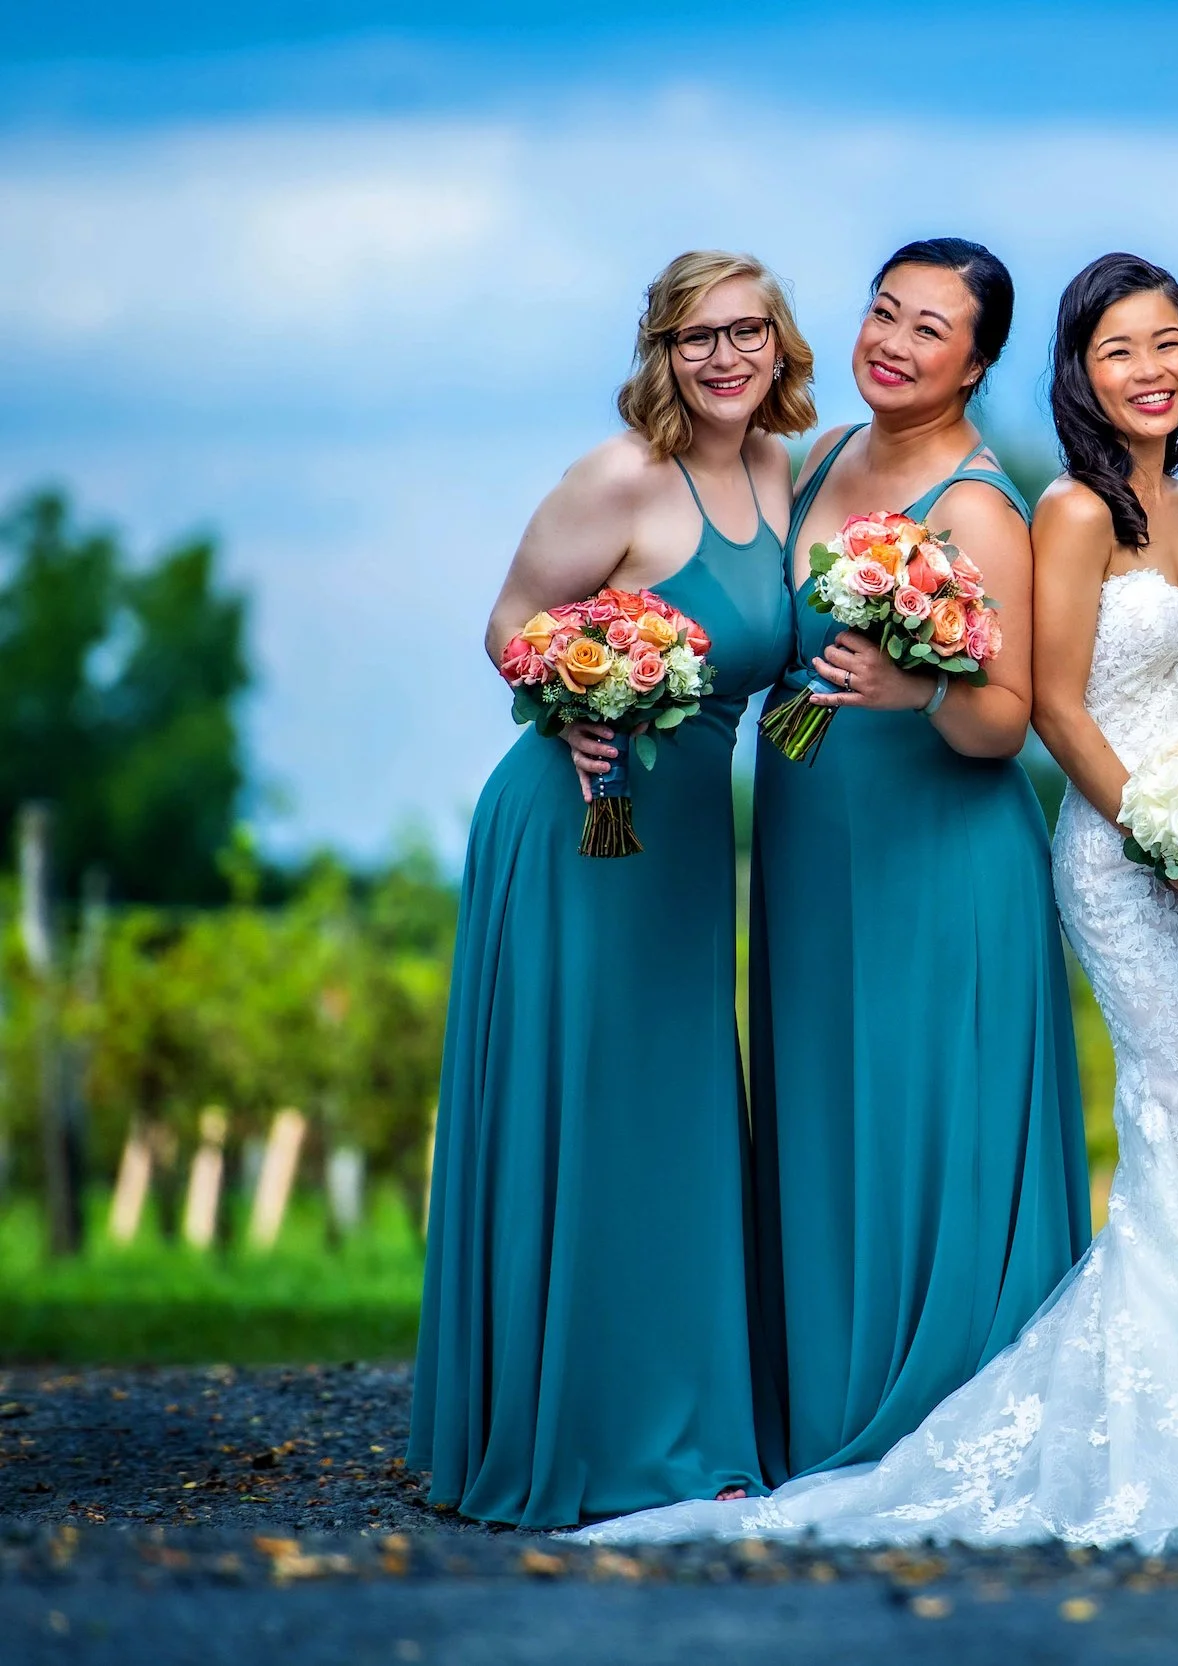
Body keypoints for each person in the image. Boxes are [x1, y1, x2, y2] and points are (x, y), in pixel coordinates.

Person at [570, 254, 1178, 1564]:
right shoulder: (1067, 514)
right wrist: (1169, 842)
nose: (1148, 370)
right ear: (1074, 373)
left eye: (1169, 344)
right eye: (1117, 351)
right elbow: (1049, 704)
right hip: (1123, 852)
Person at [410, 251, 805, 1526]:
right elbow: (512, 623)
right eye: (699, 338)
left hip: (688, 836)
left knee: (677, 1103)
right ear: (661, 352)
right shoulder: (618, 476)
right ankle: (577, 1433)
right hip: (582, 820)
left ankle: (688, 1421)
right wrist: (569, 694)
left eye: (748, 331)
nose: (727, 357)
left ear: (780, 342)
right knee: (590, 1103)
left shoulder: (783, 474)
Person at [746, 238, 1089, 1481]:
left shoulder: (981, 508)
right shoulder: (819, 457)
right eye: (882, 312)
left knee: (922, 1107)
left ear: (977, 361)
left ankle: (941, 1403)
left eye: (929, 328)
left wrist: (909, 686)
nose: (893, 341)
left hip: (938, 845)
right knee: (827, 1102)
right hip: (807, 834)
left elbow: (1005, 723)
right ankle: (822, 1393)